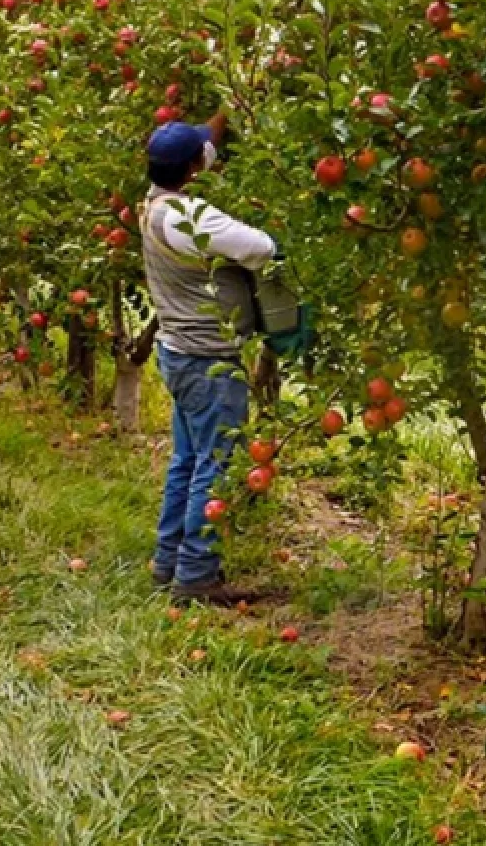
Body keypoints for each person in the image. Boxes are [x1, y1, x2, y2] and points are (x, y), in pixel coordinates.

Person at [139, 114, 275, 604]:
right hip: (207, 360)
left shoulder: (154, 205)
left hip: (178, 352)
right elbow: (261, 247)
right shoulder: (187, 217)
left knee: (187, 461)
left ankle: (168, 561)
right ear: (194, 167)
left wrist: (222, 117)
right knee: (214, 465)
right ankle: (196, 576)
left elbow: (201, 148)